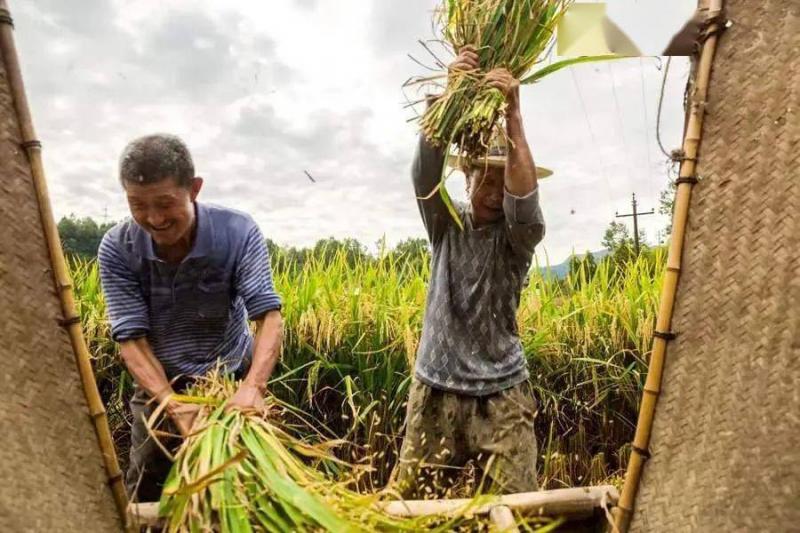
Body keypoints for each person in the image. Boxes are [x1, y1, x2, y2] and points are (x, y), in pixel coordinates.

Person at [392, 46, 546, 498]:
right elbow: (424, 177)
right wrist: (451, 97)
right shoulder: (446, 224)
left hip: (502, 394)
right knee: (409, 510)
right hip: (435, 388)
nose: (492, 190)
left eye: (502, 179)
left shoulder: (517, 238)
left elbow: (526, 205)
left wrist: (514, 116)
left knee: (521, 510)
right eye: (484, 176)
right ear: (467, 176)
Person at [98, 134, 283, 502]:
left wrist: (252, 388)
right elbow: (131, 339)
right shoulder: (119, 247)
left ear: (194, 189)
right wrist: (171, 403)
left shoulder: (237, 232)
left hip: (229, 381)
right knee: (147, 494)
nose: (154, 218)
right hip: (159, 383)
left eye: (166, 203)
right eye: (138, 205)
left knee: (241, 489)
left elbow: (269, 316)